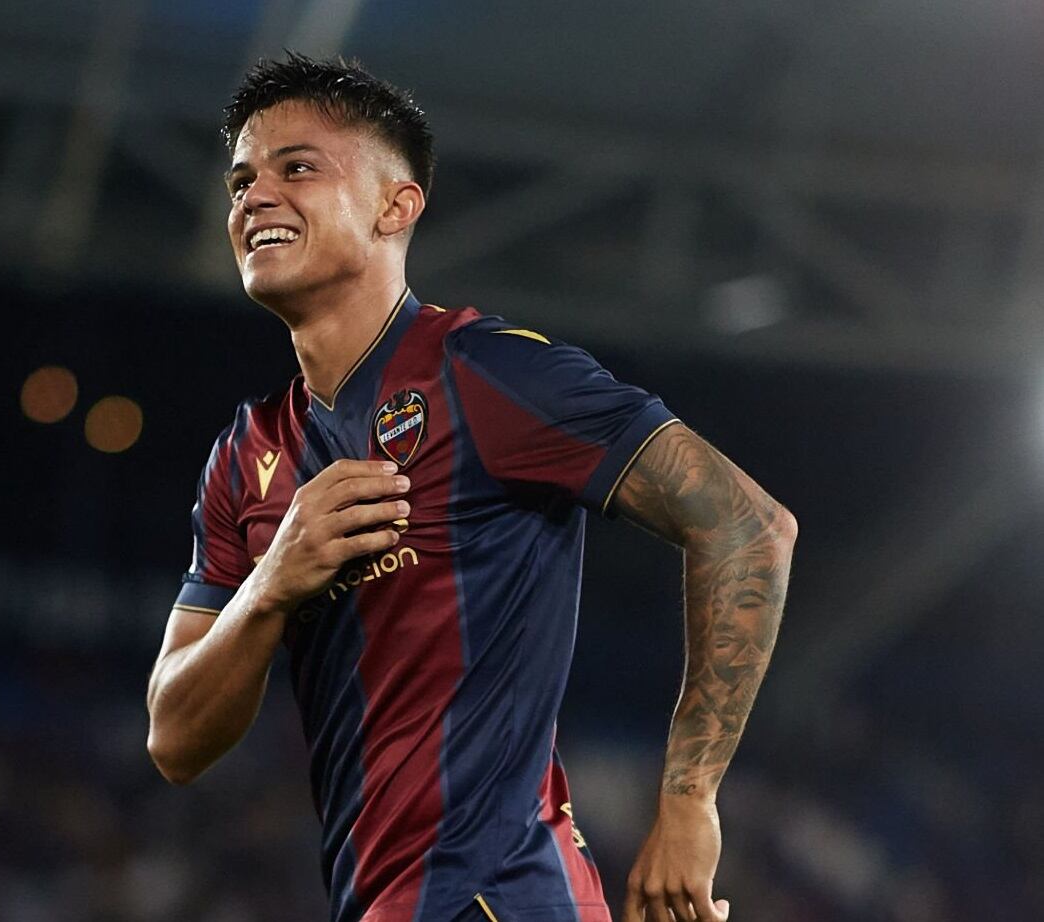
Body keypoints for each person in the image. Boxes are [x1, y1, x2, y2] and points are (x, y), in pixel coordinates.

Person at [146, 53, 797, 922]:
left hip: (496, 896)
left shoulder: (488, 376)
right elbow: (174, 740)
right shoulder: (244, 458)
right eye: (240, 180)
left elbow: (749, 525)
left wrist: (689, 803)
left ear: (396, 205)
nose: (253, 197)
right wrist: (270, 586)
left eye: (296, 167)